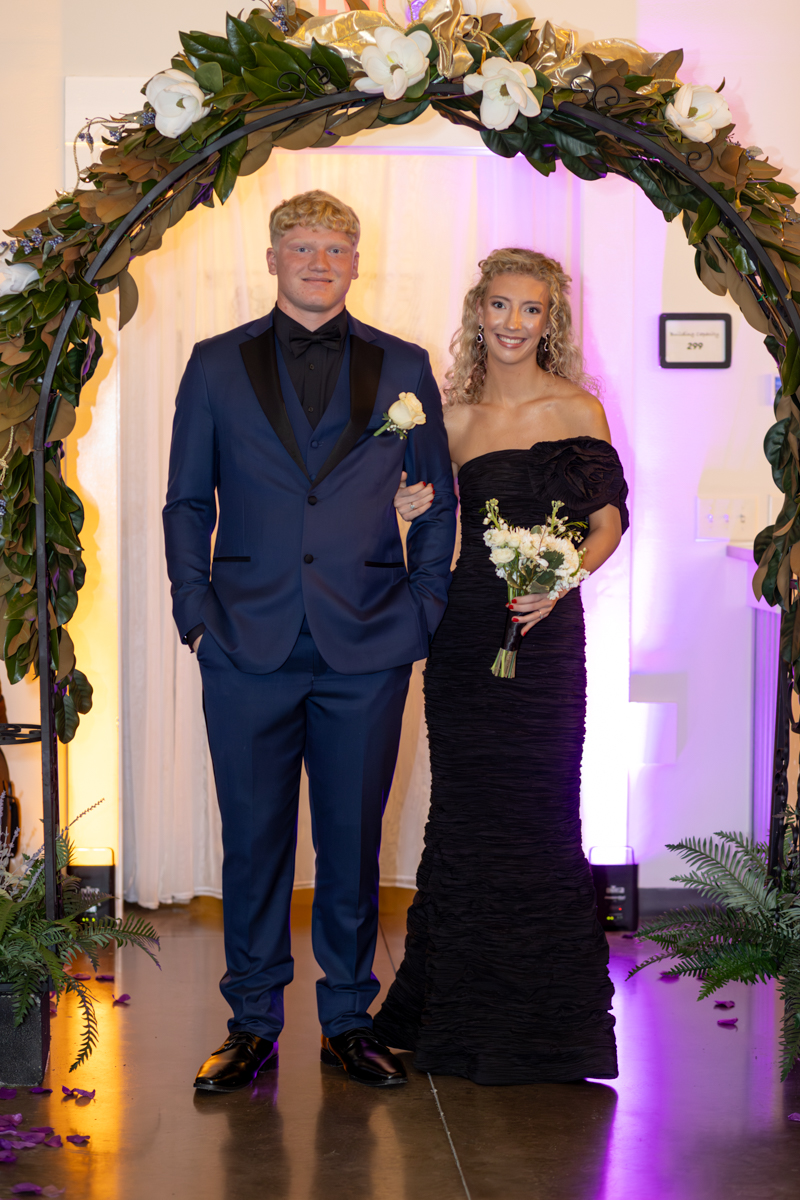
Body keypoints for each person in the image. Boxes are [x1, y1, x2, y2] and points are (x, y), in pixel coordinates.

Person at [163, 190, 457, 1092]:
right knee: (253, 843)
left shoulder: (404, 364)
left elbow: (436, 498)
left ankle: (347, 1019)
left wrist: (421, 610)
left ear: (356, 261)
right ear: (274, 257)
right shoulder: (215, 364)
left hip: (367, 643)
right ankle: (252, 1023)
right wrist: (194, 611)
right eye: (302, 246)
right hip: (245, 641)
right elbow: (186, 501)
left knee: (351, 840)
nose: (319, 261)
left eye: (335, 247)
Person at [374, 248, 628, 1085]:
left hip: (548, 640)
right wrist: (409, 506)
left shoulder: (578, 406)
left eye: (531, 309)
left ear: (550, 320)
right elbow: (425, 515)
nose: (514, 323)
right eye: (500, 306)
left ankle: (544, 1028)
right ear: (477, 312)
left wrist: (560, 582)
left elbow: (609, 525)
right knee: (467, 818)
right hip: (466, 635)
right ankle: (450, 1016)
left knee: (542, 816)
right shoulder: (451, 417)